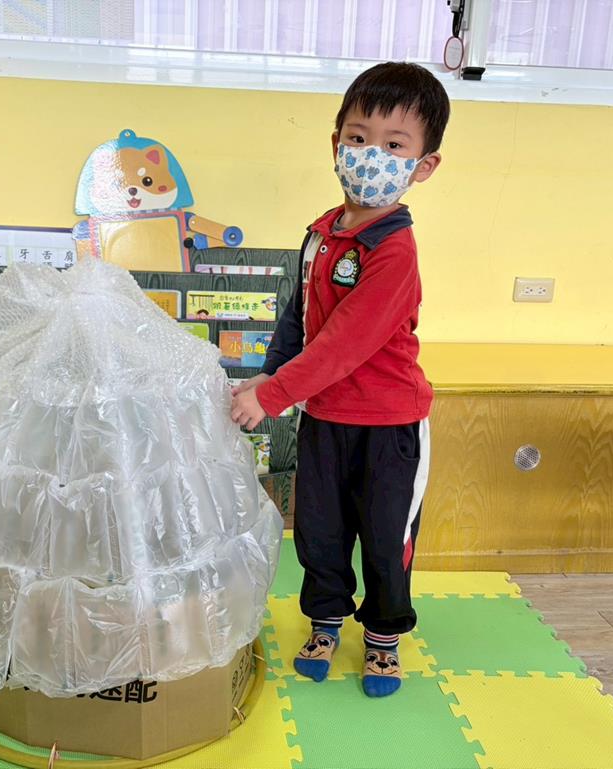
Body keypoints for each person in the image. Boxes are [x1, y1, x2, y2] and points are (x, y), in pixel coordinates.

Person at [230, 61, 448, 697]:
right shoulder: (321, 235)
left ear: (423, 165)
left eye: (394, 145)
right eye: (358, 138)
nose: (371, 155)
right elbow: (298, 317)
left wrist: (273, 395)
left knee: (384, 540)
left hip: (389, 425)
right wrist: (268, 375)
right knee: (320, 533)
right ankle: (325, 623)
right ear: (336, 145)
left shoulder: (394, 250)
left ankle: (382, 637)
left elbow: (347, 342)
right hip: (324, 419)